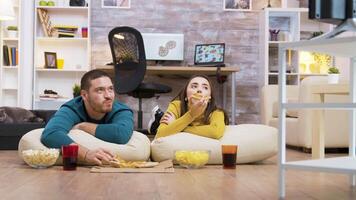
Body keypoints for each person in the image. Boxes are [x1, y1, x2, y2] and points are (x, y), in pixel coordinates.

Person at [41, 69, 134, 165]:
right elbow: (50, 134)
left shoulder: (121, 110)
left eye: (110, 89)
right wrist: (86, 154)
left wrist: (83, 126)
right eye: (100, 90)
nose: (108, 96)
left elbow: (121, 134)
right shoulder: (72, 108)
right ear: (84, 95)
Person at [155, 75, 229, 139]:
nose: (199, 90)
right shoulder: (176, 106)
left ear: (209, 98)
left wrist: (178, 126)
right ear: (185, 95)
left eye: (205, 87)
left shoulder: (217, 112)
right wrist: (191, 115)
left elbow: (215, 132)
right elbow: (160, 134)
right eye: (194, 86)